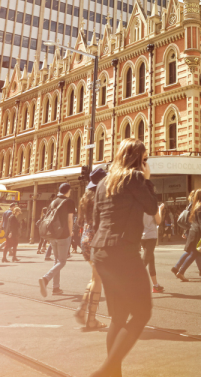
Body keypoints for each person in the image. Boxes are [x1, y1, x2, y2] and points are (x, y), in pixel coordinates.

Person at [88, 138, 158, 377]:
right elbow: (151, 207)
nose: (146, 163)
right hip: (123, 251)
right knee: (141, 312)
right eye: (145, 159)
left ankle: (113, 373)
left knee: (118, 316)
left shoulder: (103, 183)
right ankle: (105, 370)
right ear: (137, 159)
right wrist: (147, 180)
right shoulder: (135, 178)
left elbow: (96, 221)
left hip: (101, 252)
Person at [75, 167, 108, 330]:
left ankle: (82, 310)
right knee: (98, 279)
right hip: (97, 239)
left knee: (95, 277)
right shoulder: (102, 197)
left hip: (86, 239)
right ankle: (91, 320)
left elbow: (80, 222)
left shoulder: (85, 199)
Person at [38, 184, 75, 297]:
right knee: (62, 262)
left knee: (56, 261)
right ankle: (46, 279)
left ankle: (56, 288)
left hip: (53, 234)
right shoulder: (69, 202)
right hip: (63, 234)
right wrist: (70, 232)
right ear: (68, 191)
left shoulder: (53, 202)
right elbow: (70, 219)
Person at [173, 189, 201, 283]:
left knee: (193, 254)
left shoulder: (195, 206)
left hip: (193, 232)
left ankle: (181, 271)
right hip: (199, 234)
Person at [141, 199, 164, 293]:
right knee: (146, 260)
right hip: (151, 235)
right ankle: (131, 282)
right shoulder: (152, 206)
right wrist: (160, 209)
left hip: (142, 236)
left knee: (151, 259)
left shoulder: (138, 205)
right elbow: (158, 221)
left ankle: (155, 285)